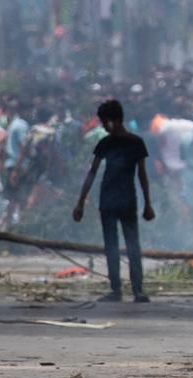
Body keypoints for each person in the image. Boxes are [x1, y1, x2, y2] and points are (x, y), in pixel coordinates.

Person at [72, 100, 155, 303]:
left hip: (127, 200)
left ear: (114, 120)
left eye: (104, 122)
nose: (102, 126)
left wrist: (148, 203)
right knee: (112, 246)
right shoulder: (106, 143)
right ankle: (116, 289)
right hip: (108, 200)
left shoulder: (136, 142)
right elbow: (92, 172)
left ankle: (138, 290)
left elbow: (142, 175)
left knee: (132, 245)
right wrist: (81, 201)